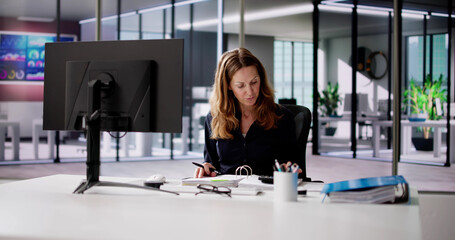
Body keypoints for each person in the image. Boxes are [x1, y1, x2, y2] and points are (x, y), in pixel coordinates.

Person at [194, 48, 302, 178]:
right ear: (228, 85)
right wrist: (207, 169)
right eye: (240, 86)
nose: (250, 92)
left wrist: (289, 168)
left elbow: (293, 165)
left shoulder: (282, 117)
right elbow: (211, 163)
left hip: (268, 192)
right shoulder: (214, 118)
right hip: (228, 193)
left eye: (254, 82)